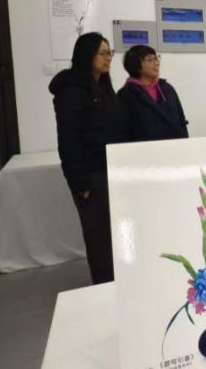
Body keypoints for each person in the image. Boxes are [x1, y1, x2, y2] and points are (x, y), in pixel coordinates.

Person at [49, 32, 127, 284]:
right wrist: (79, 183)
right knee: (99, 237)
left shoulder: (104, 86)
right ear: (87, 55)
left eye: (109, 53)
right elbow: (68, 140)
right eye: (102, 53)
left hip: (112, 171)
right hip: (91, 176)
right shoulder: (71, 91)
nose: (108, 58)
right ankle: (104, 285)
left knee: (116, 233)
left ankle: (120, 282)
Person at [117, 45, 189, 142]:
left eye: (156, 58)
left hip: (175, 147)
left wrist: (185, 144)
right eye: (150, 60)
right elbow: (123, 131)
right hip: (145, 149)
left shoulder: (167, 88)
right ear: (137, 66)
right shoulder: (126, 94)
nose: (156, 63)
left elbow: (181, 121)